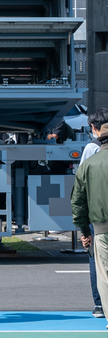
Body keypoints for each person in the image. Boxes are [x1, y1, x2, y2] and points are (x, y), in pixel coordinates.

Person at [72, 115, 108, 331]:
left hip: (103, 229)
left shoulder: (88, 164)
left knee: (105, 276)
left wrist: (85, 231)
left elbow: (78, 202)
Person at [81, 108, 108, 318]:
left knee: (96, 259)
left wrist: (82, 227)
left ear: (93, 128)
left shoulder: (91, 149)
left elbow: (81, 187)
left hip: (97, 214)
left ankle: (99, 304)